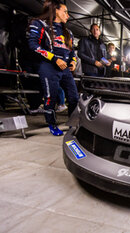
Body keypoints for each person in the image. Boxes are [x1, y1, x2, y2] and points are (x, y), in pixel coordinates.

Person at [28, 0, 79, 136]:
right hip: (48, 66)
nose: (67, 15)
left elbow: (72, 52)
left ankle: (73, 125)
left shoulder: (68, 32)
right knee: (51, 97)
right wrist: (54, 58)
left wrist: (73, 62)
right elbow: (33, 45)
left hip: (65, 69)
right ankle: (52, 124)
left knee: (74, 97)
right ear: (56, 10)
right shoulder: (39, 24)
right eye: (65, 11)